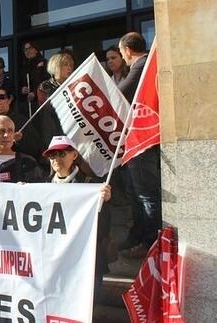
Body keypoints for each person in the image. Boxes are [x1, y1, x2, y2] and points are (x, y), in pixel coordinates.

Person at [41, 136, 112, 296]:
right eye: (52, 155)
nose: (56, 158)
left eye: (61, 153)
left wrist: (104, 203)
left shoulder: (91, 186)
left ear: (74, 155)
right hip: (54, 262)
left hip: (86, 261)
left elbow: (104, 228)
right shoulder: (41, 186)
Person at [116, 32, 161, 258]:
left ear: (127, 50)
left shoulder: (140, 65)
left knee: (146, 195)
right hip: (138, 140)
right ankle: (139, 234)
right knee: (136, 192)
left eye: (121, 52)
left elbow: (120, 93)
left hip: (142, 141)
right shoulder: (144, 64)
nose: (122, 57)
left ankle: (151, 244)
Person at [0, 87, 43, 161]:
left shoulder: (20, 120)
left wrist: (19, 141)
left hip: (13, 163)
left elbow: (34, 146)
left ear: (9, 100)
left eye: (2, 97)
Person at [0, 116, 43, 184]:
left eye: (10, 131)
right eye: (1, 131)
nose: (7, 135)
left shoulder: (28, 163)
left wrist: (24, 188)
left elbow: (39, 191)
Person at [19, 41, 49, 106]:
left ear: (36, 50)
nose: (27, 51)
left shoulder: (43, 63)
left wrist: (35, 92)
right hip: (28, 103)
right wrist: (22, 89)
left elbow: (47, 81)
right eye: (25, 50)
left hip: (43, 101)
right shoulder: (23, 67)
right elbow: (20, 83)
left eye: (30, 48)